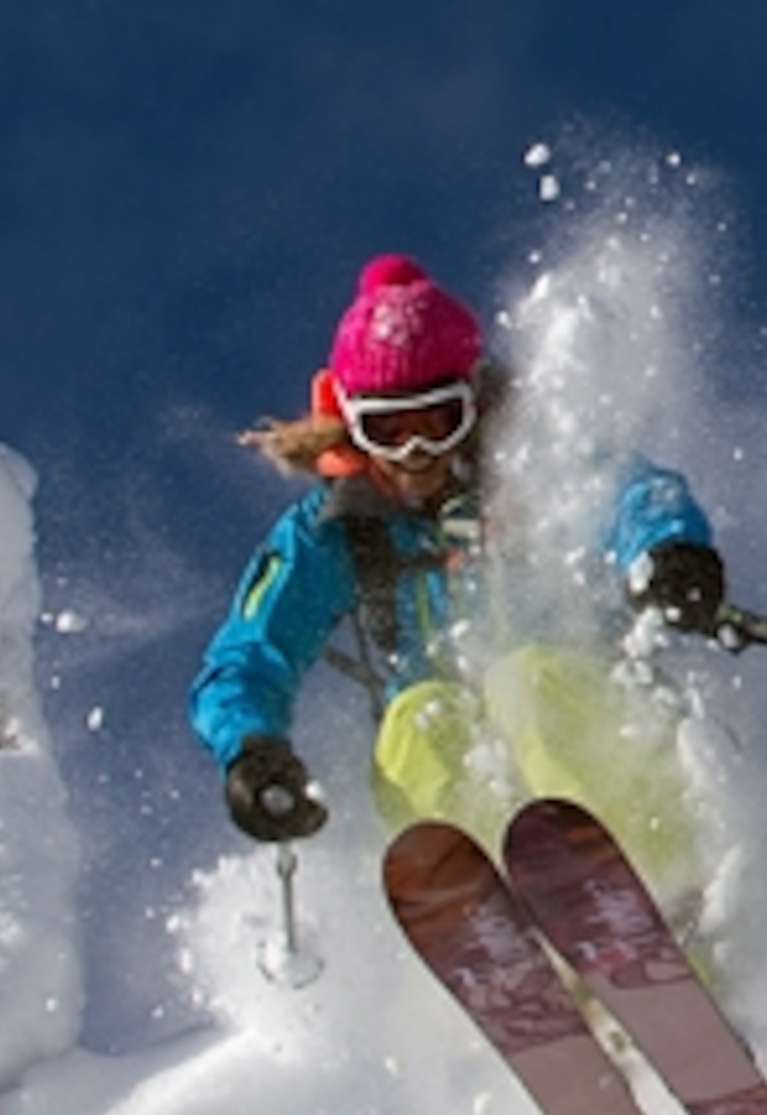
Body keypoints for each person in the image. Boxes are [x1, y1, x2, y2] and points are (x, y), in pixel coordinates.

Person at [190, 253, 728, 891]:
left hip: (595, 718)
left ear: (474, 405)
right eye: (389, 429)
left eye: (437, 421)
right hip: (461, 744)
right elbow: (250, 652)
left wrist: (669, 552)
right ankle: (478, 917)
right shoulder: (337, 529)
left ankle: (638, 878)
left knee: (527, 680)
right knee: (417, 722)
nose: (416, 453)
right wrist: (251, 748)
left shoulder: (535, 463)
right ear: (351, 426)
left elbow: (633, 492)